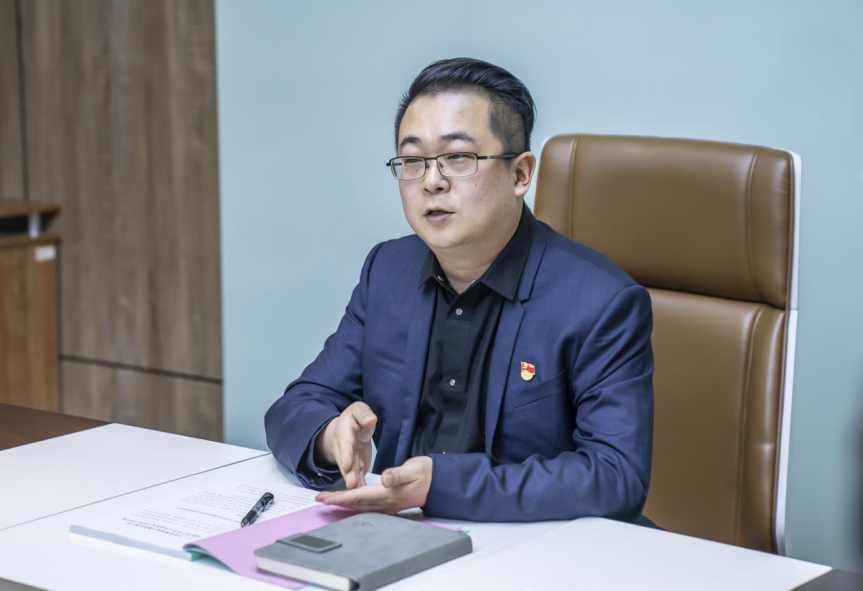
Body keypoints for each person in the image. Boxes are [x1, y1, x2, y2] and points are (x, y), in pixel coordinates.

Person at [265, 57, 654, 522]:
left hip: (533, 546)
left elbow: (616, 475)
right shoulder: (387, 271)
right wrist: (332, 437)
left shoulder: (599, 302)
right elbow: (295, 406)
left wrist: (443, 487)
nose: (432, 181)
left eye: (457, 158)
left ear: (520, 174)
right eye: (413, 161)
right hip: (394, 536)